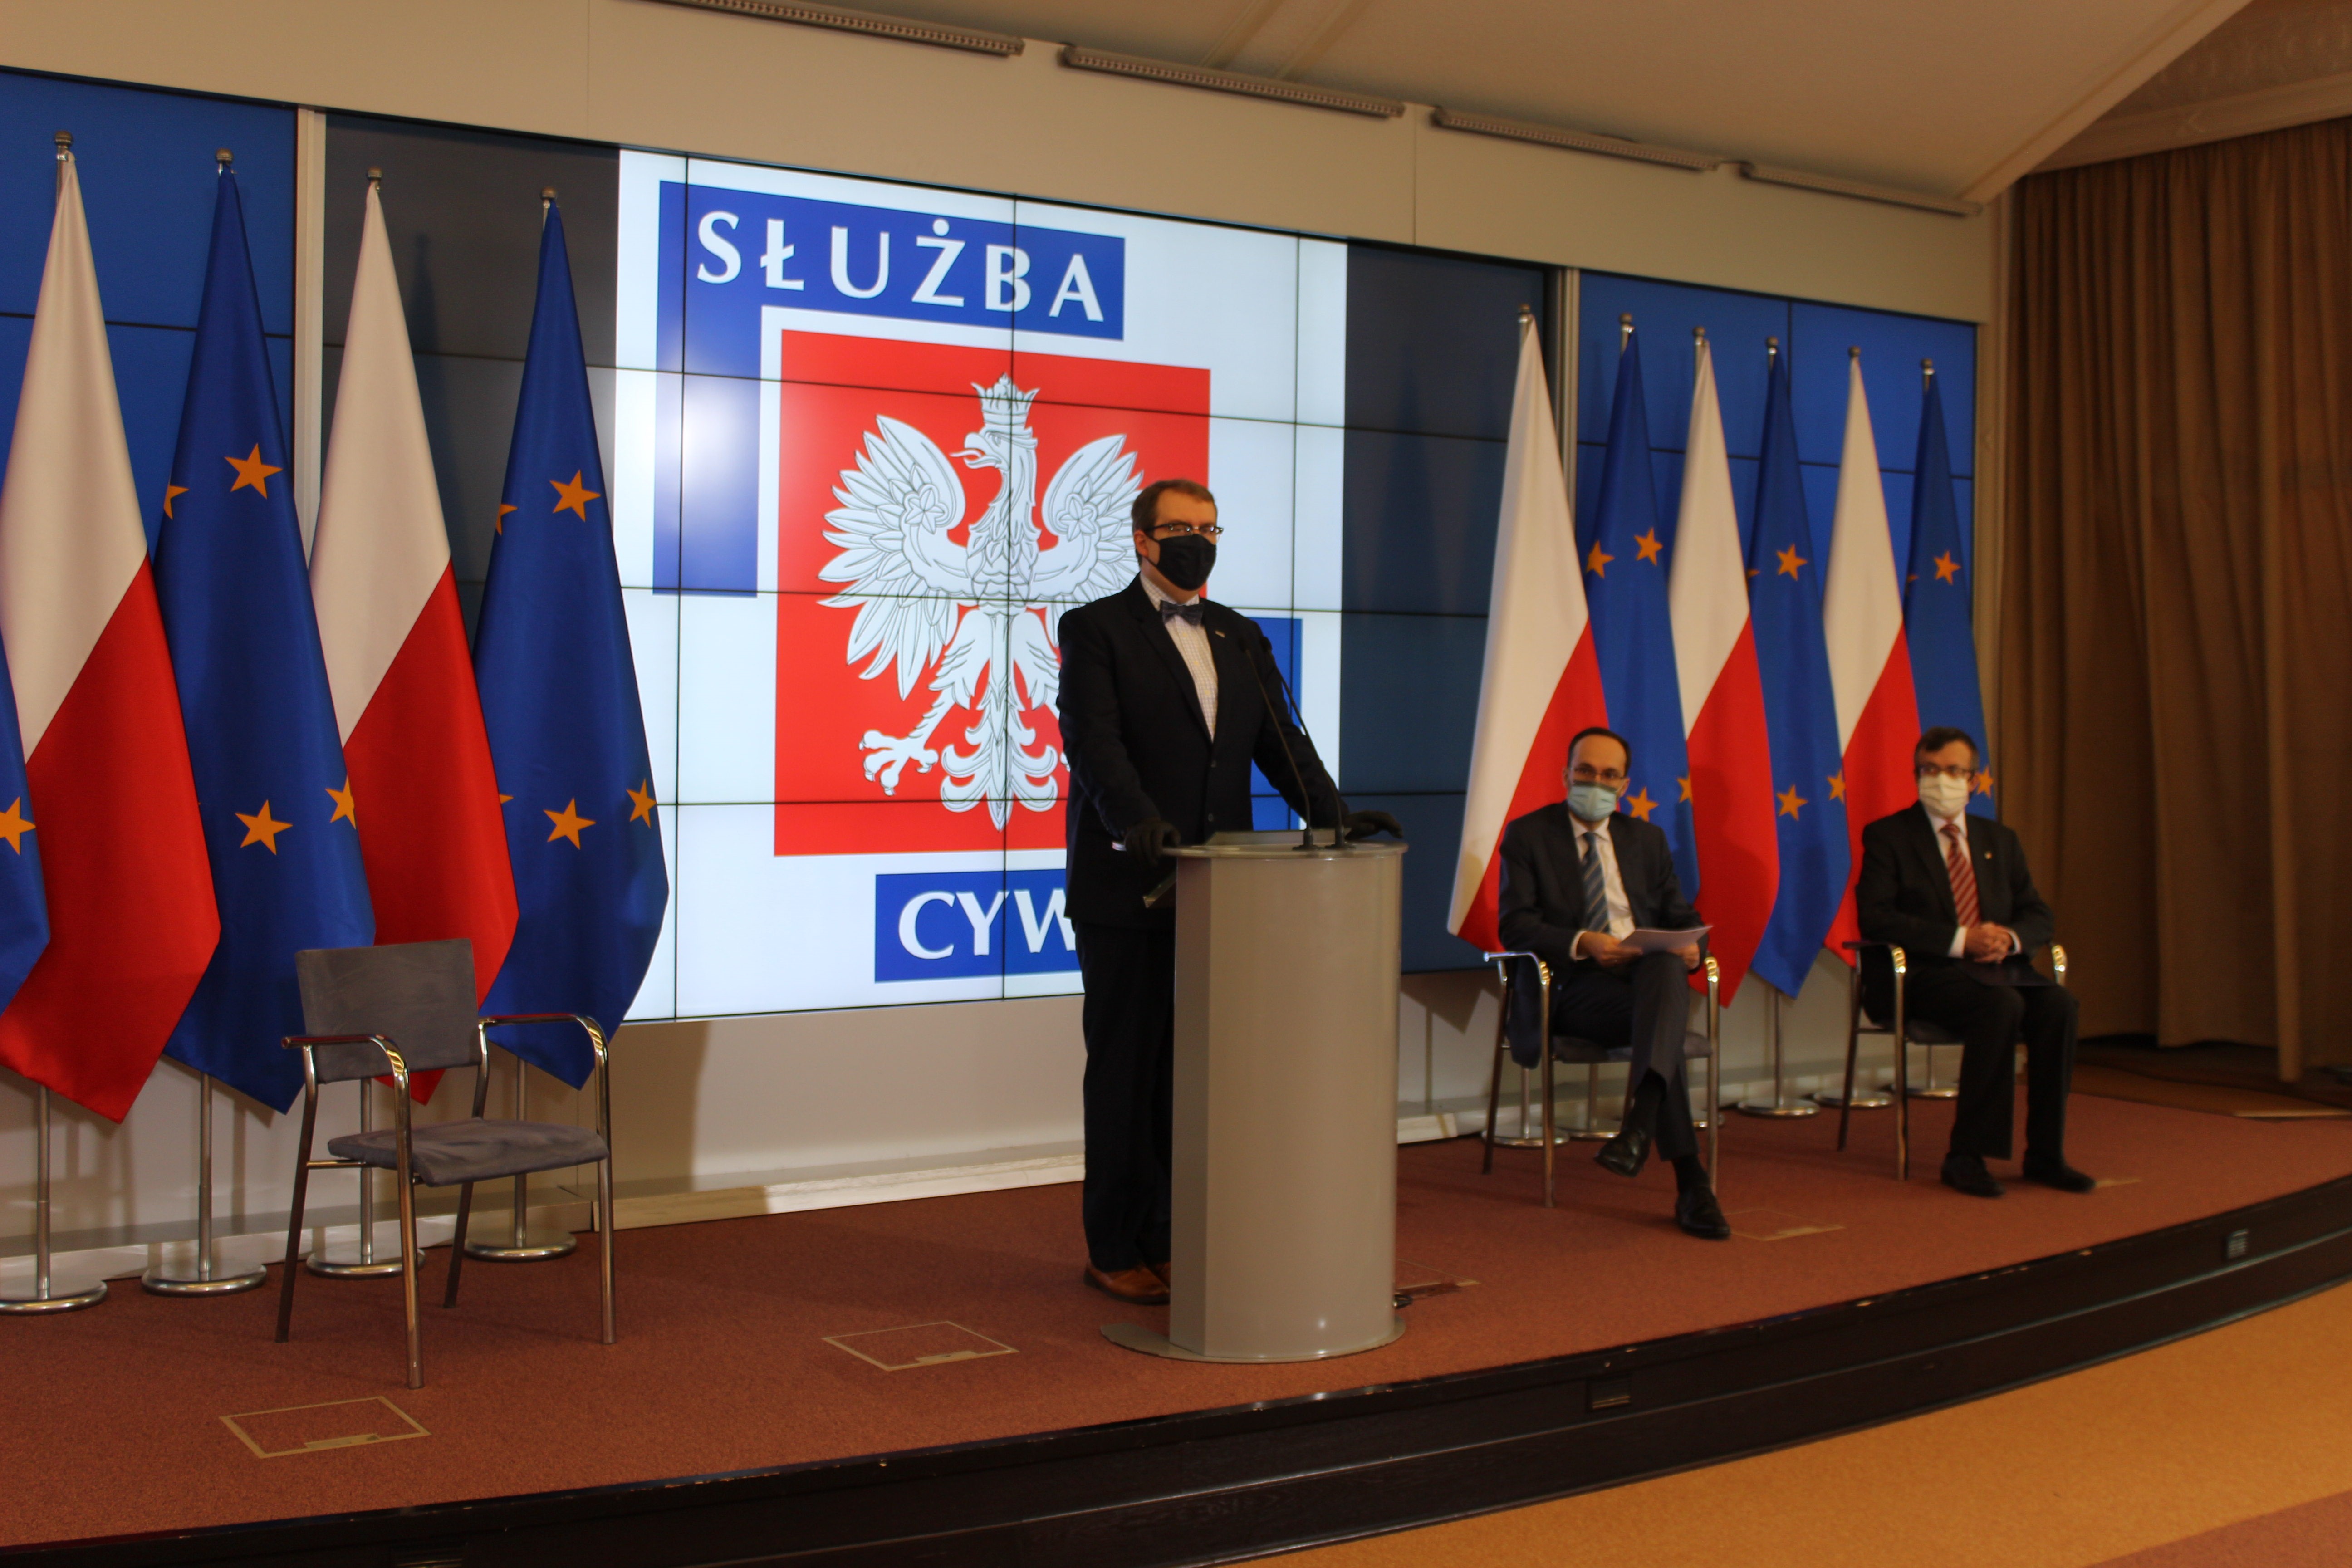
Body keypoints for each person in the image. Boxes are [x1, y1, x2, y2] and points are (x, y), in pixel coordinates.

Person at [1057, 477, 1401, 1304]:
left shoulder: (1240, 636)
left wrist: (1333, 816)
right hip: (1130, 885)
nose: (1197, 543)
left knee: (1192, 1078)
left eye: (1209, 529)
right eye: (1180, 528)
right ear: (1142, 540)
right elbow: (1093, 741)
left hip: (1222, 894)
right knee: (1128, 1071)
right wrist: (1136, 819)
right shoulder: (1096, 628)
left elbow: (1282, 744)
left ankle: (1176, 1236)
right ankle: (1114, 1245)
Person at [1496, 726, 1729, 1240]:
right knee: (1663, 1027)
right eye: (1585, 771)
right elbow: (1515, 925)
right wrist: (1586, 942)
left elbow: (1681, 915)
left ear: (1624, 785)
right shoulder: (1529, 835)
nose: (1595, 783)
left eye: (1608, 775)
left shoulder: (1646, 839)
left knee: (1667, 969)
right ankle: (1689, 1180)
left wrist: (1696, 948)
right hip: (1572, 987)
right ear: (1566, 774)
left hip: (1642, 982)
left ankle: (1642, 1130)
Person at [1855, 726, 2091, 1199]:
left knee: (2059, 1006)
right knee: (2000, 1006)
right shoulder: (1889, 836)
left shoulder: (1999, 839)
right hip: (1923, 975)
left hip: (1997, 970)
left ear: (1973, 779)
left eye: (1952, 771)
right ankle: (1966, 1156)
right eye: (1929, 770)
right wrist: (1964, 940)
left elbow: (2038, 913)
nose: (1940, 780)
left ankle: (2046, 1155)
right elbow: (1877, 917)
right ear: (1916, 775)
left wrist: (2009, 937)